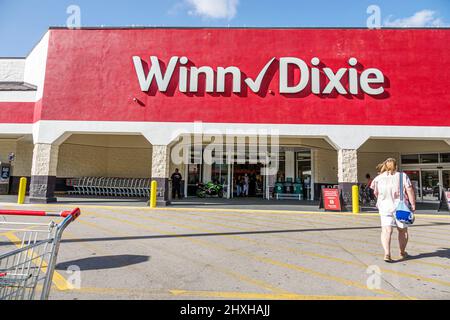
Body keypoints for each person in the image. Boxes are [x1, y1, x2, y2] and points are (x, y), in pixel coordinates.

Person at [370, 158, 416, 263]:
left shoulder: (378, 178)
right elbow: (409, 190)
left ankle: (387, 253)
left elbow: (376, 193)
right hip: (400, 207)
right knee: (402, 231)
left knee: (386, 231)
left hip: (384, 207)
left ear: (384, 166)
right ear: (396, 166)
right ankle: (402, 252)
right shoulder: (402, 176)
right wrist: (413, 204)